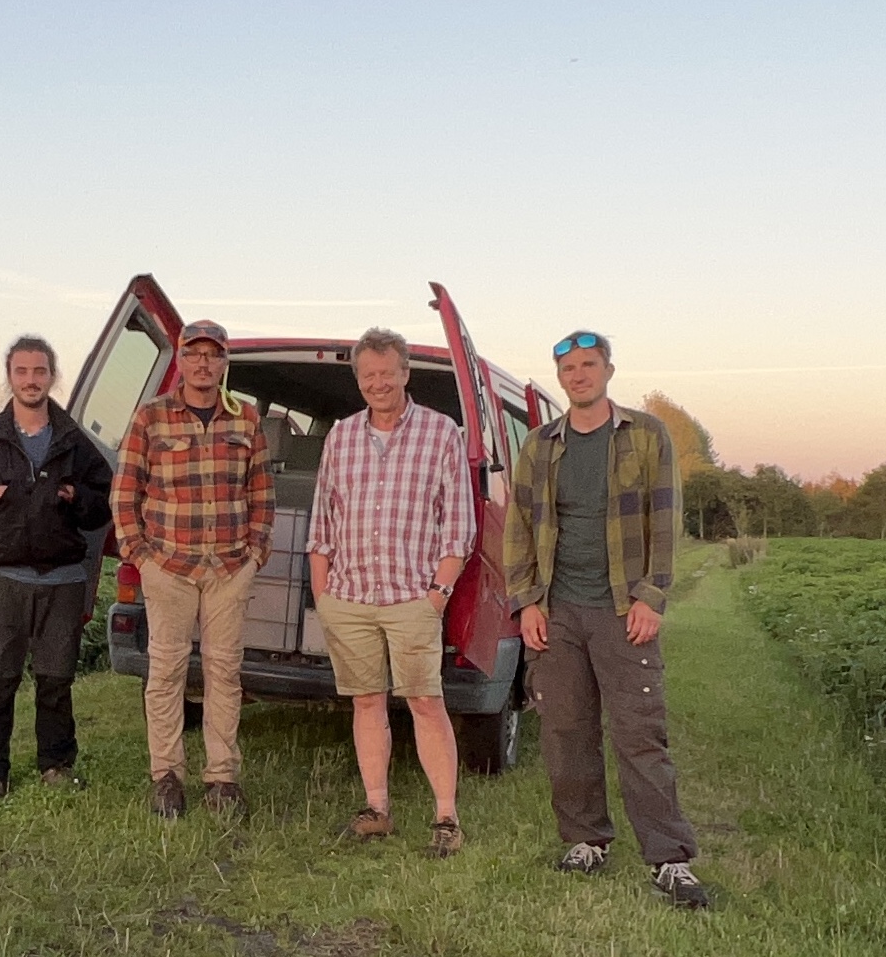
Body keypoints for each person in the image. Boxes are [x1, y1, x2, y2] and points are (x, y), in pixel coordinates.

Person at [502, 330, 710, 908]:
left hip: (623, 611)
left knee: (640, 734)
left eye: (588, 365)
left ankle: (668, 857)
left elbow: (665, 518)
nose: (578, 376)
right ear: (560, 377)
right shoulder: (542, 444)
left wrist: (652, 596)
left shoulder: (645, 436)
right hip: (558, 610)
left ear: (608, 370)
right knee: (567, 732)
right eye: (568, 368)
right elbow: (518, 523)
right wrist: (526, 601)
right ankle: (586, 840)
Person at [308, 327, 475, 856]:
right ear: (358, 380)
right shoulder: (342, 436)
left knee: (426, 701)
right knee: (366, 701)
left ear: (405, 374)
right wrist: (324, 596)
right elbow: (322, 521)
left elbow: (459, 526)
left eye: (387, 373)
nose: (378, 383)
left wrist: (437, 594)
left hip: (412, 597)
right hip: (350, 597)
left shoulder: (441, 432)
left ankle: (446, 817)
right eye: (368, 375)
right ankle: (377, 808)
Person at [0, 335, 114, 797]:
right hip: (4, 577)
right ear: (10, 376)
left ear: (52, 376)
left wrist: (79, 499)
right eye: (22, 371)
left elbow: (105, 503)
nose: (31, 380)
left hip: (63, 578)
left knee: (56, 679)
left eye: (39, 371)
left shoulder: (75, 442)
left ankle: (55, 765)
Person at [112, 319, 273, 818]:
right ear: (181, 360)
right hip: (169, 566)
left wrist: (255, 553)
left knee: (225, 673)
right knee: (166, 673)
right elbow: (125, 491)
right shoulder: (151, 417)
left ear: (225, 364)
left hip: (228, 568)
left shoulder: (245, 419)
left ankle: (222, 779)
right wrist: (139, 555)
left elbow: (261, 492)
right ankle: (166, 777)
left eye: (214, 355)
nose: (204, 363)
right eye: (194, 354)